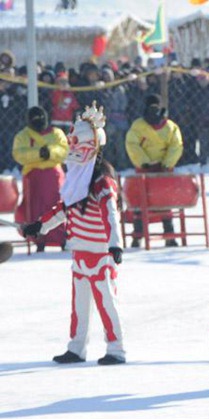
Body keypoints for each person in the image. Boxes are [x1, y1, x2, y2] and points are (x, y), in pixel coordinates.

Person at [22, 103, 126, 365]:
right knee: (79, 306)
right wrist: (40, 226)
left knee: (106, 303)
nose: (73, 149)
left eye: (77, 143)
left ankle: (116, 349)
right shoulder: (77, 177)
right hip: (79, 252)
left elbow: (111, 213)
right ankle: (76, 347)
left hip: (100, 254)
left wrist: (115, 245)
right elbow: (64, 208)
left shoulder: (102, 180)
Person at [125, 94, 184, 247]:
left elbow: (175, 146)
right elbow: (132, 144)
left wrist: (166, 164)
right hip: (145, 171)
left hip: (162, 171)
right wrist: (144, 163)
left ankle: (169, 235)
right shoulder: (138, 126)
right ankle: (138, 236)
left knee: (164, 202)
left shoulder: (170, 126)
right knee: (140, 202)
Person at [12, 107, 68, 251]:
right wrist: (38, 153)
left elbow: (64, 150)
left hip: (54, 176)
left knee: (57, 207)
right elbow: (18, 153)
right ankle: (38, 240)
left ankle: (61, 238)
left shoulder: (57, 133)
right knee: (34, 209)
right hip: (33, 177)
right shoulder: (23, 135)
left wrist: (49, 152)